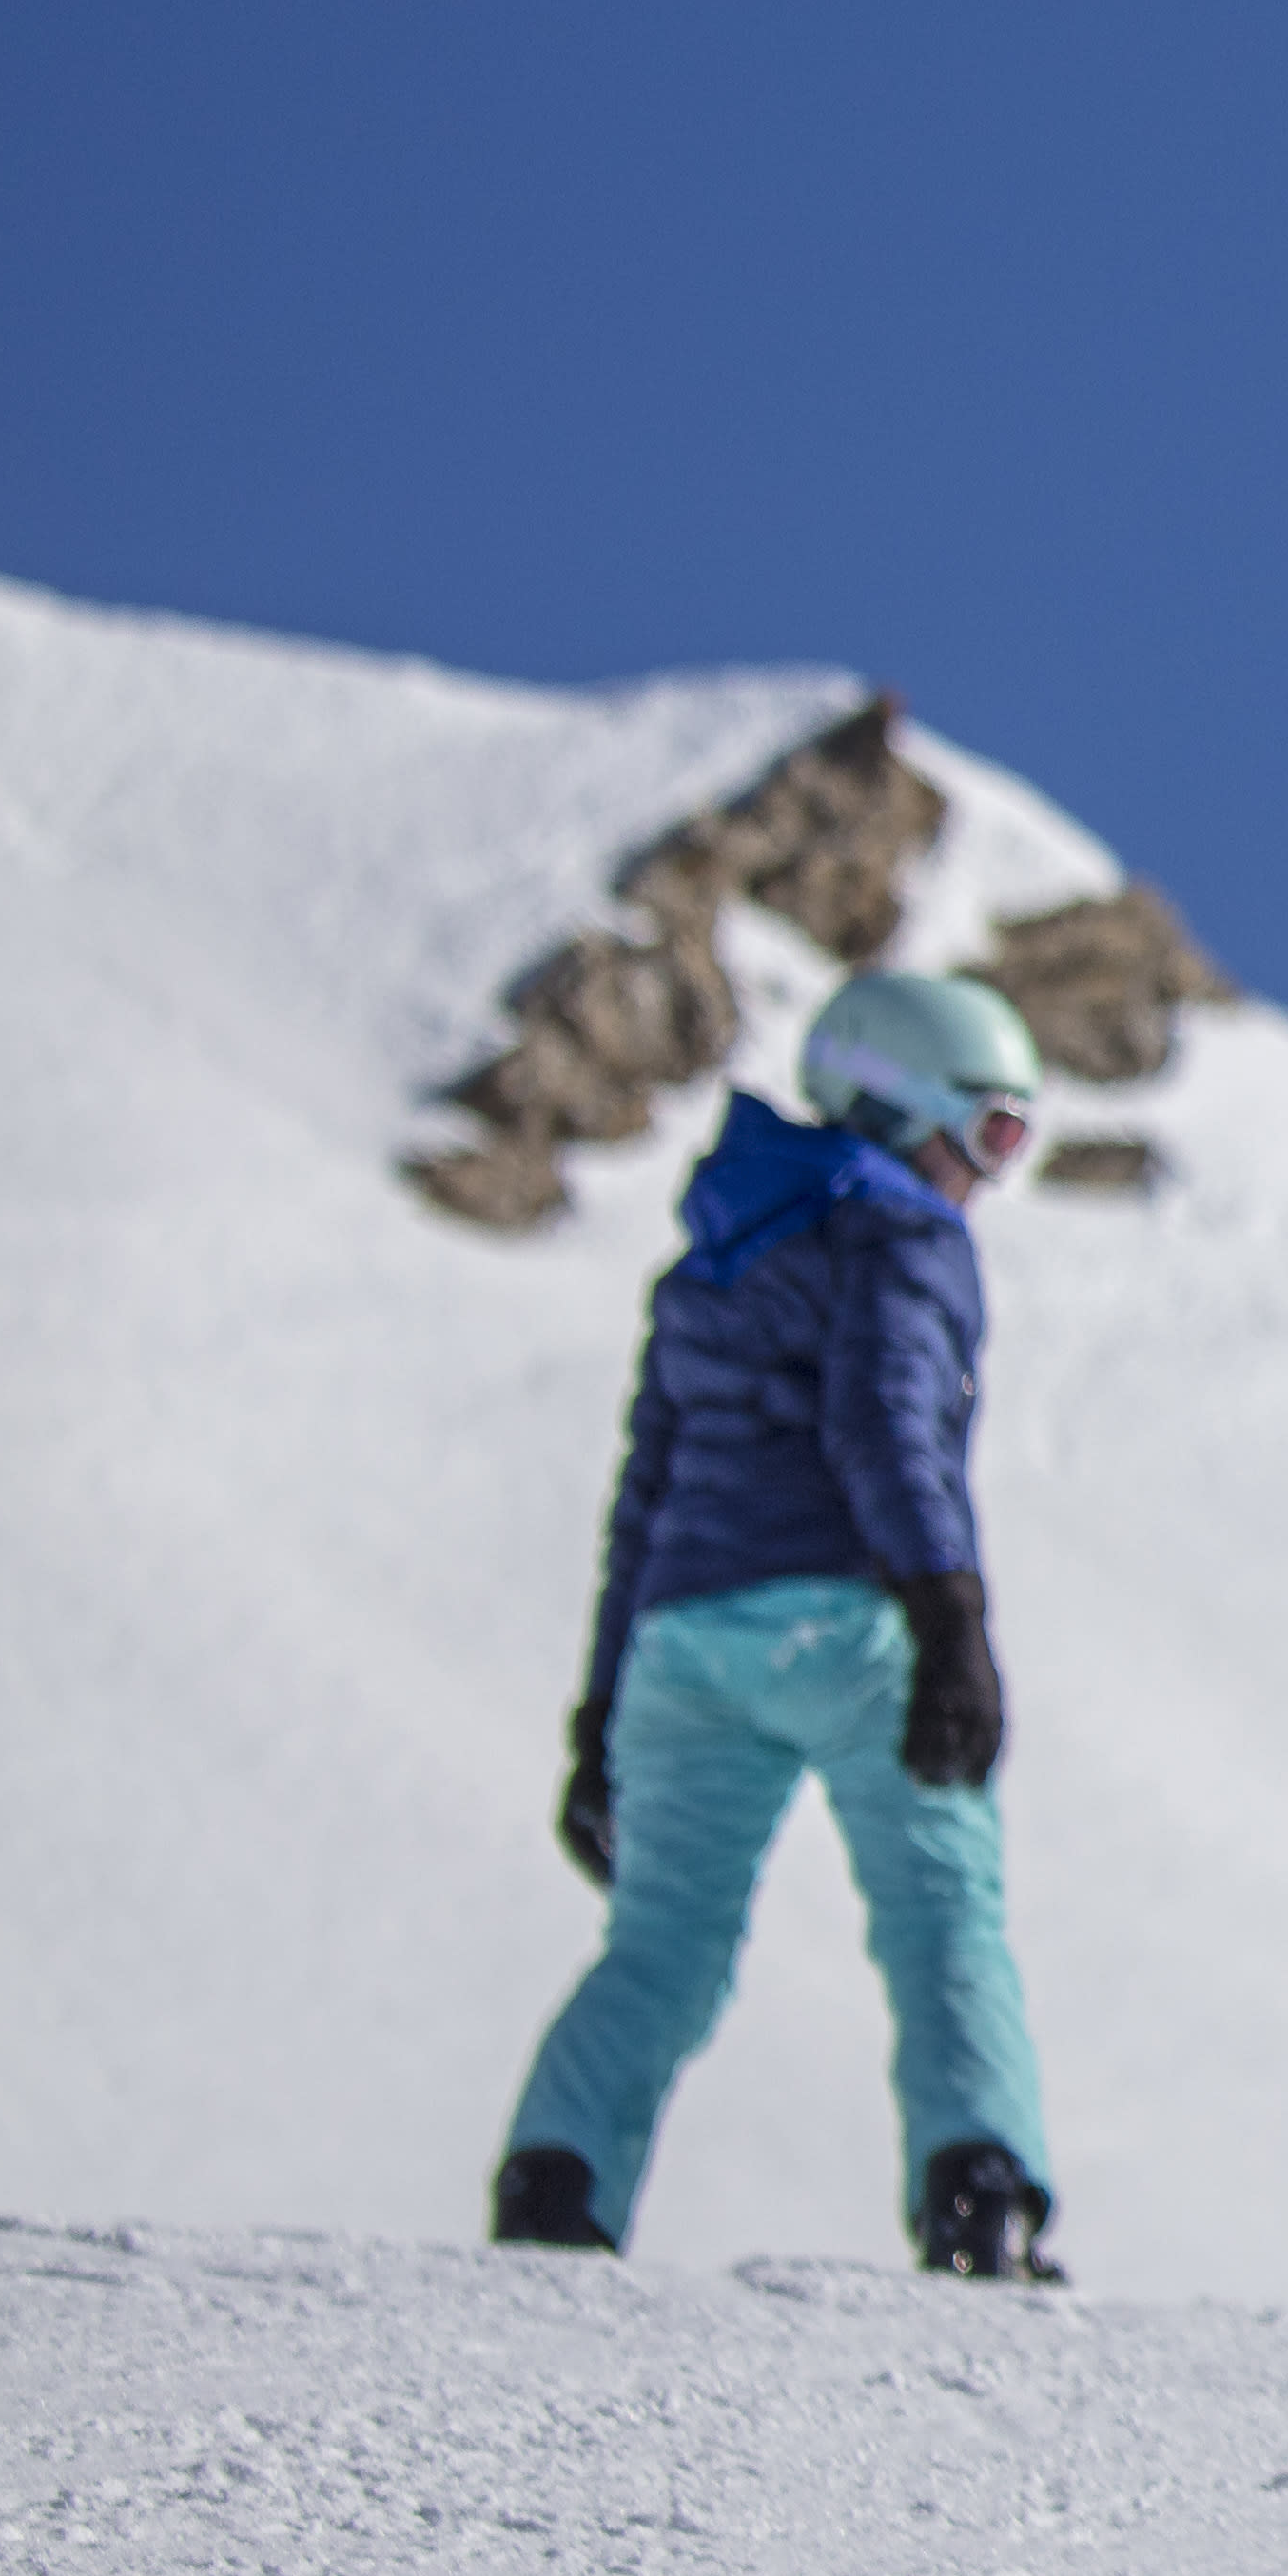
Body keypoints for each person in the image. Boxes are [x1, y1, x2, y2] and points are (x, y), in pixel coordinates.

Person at [492, 972, 1070, 2281]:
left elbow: (642, 1504)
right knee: (942, 1918)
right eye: (990, 1134)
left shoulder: (710, 1262)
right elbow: (882, 1426)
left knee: (662, 1946)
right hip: (852, 1626)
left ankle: (555, 2190)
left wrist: (600, 1718)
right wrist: (951, 1619)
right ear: (904, 1106)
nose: (991, 1177)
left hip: (684, 1649)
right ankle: (983, 2197)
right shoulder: (902, 1238)